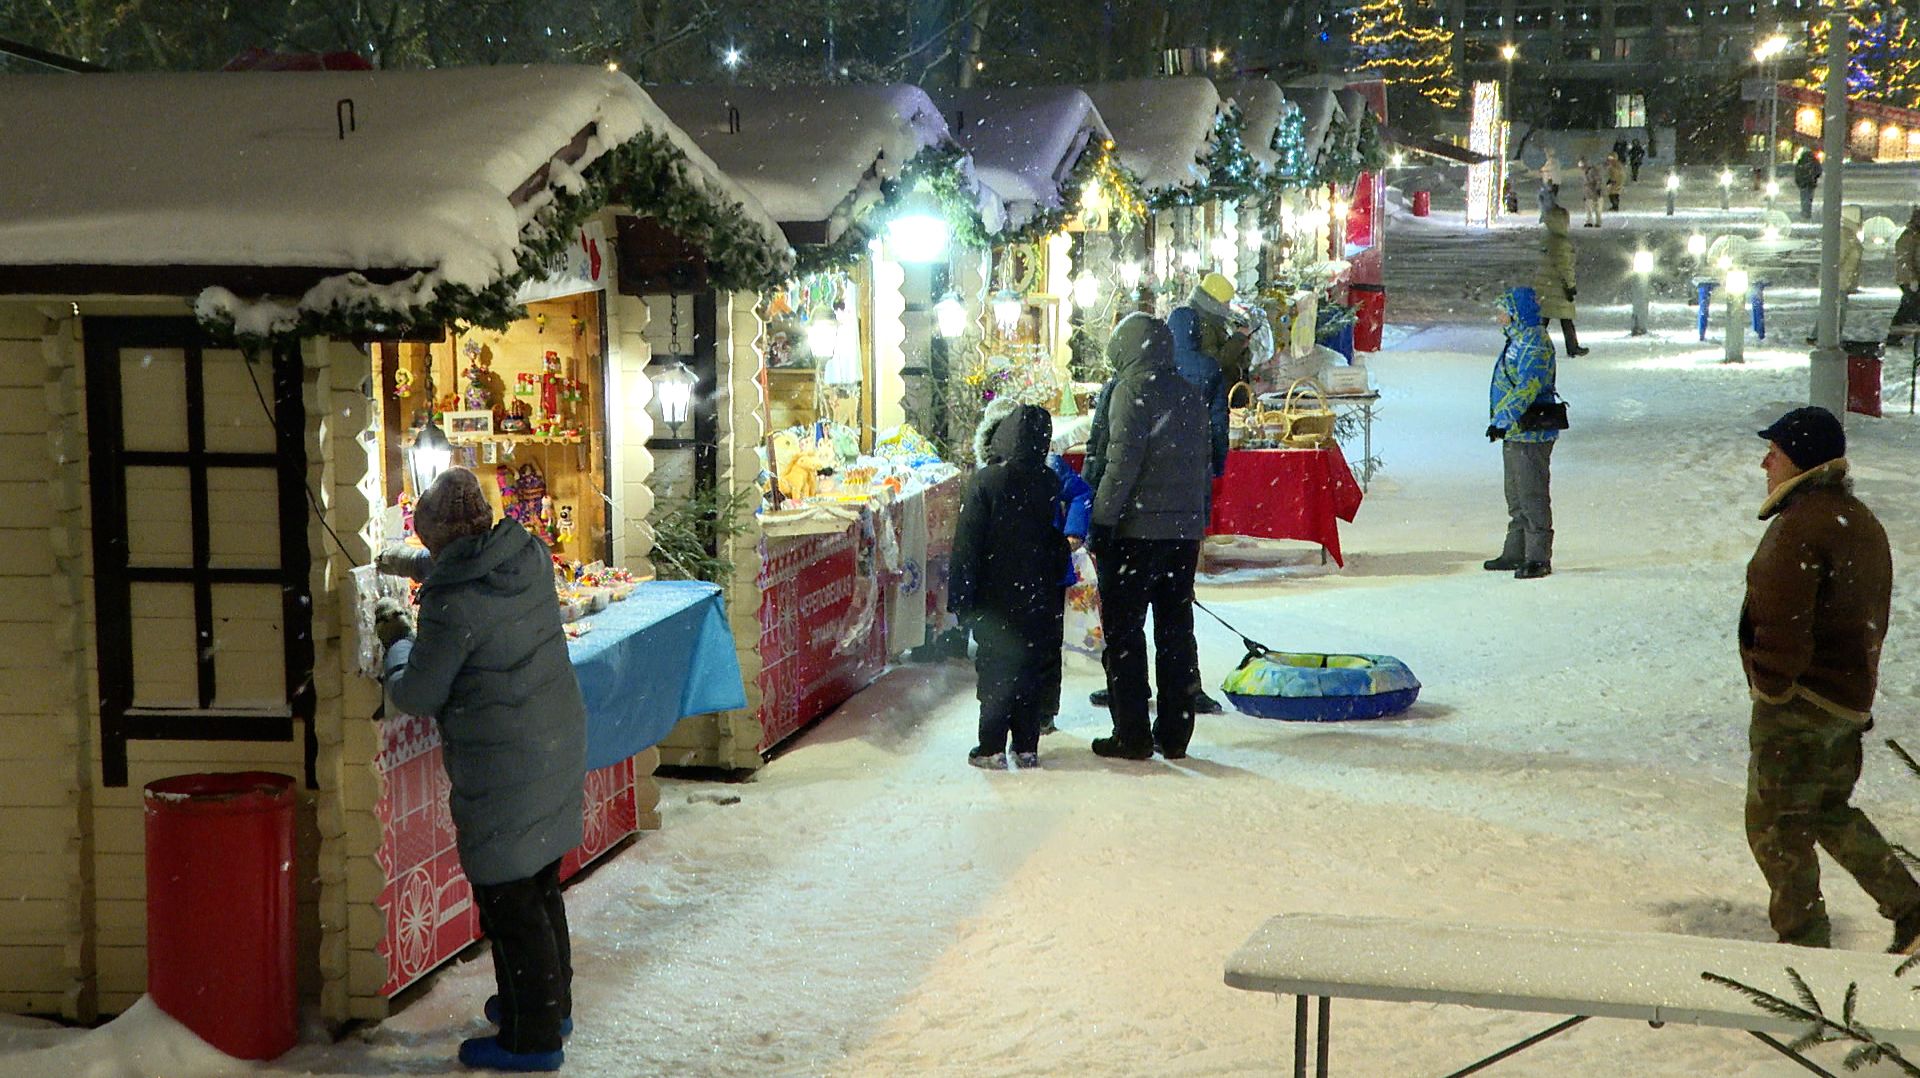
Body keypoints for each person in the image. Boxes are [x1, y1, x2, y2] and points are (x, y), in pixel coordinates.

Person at [375, 466, 587, 1073]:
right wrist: (397, 560)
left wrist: (397, 638)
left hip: (503, 757)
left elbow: (418, 692)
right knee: (539, 880)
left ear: (441, 537)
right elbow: (461, 568)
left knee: (508, 898)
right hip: (551, 738)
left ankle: (532, 1038)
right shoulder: (524, 553)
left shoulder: (453, 600)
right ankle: (549, 1006)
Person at [1741, 406, 1920, 952]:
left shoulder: (1800, 527)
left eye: (1776, 451)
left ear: (1800, 459)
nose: (1766, 461)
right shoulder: (1855, 519)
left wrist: (1771, 687)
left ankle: (1804, 948)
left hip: (1802, 703)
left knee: (1775, 826)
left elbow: (1781, 621)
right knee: (1827, 810)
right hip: (1846, 698)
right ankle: (1912, 908)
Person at [1086, 312, 1209, 761]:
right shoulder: (1189, 393)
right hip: (1180, 535)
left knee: (1125, 635)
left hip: (1135, 534)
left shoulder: (1130, 391)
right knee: (1176, 632)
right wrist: (1197, 522)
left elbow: (1121, 466)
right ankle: (1175, 733)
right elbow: (1203, 466)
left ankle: (1132, 733)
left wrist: (1101, 521)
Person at [950, 403, 1070, 770]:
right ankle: (1026, 745)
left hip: (995, 595)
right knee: (1029, 669)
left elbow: (967, 544)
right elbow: (1054, 539)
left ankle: (990, 747)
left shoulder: (986, 481)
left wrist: (961, 598)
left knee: (996, 670)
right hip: (1037, 595)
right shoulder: (1049, 481)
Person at [972, 396, 1092, 738]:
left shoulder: (1050, 469)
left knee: (1046, 645)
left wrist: (1072, 534)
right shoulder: (990, 478)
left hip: (1045, 570)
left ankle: (1043, 710)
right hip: (1014, 574)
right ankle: (1015, 712)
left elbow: (1081, 494)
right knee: (1012, 647)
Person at [1482, 286, 1559, 580]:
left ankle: (1538, 557)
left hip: (1530, 431)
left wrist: (1503, 419)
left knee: (1532, 494)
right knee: (1515, 495)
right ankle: (1516, 551)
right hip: (1515, 430)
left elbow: (1528, 387)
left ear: (1516, 313)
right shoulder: (1519, 340)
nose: (1499, 317)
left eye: (1503, 311)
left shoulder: (1534, 344)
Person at [1532, 205, 1589, 357]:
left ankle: (1534, 345)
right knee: (1565, 318)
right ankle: (1572, 347)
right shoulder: (1562, 243)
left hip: (1545, 286)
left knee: (1544, 318)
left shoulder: (1548, 240)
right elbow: (1565, 268)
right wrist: (1570, 286)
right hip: (1558, 287)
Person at [1887, 207, 1920, 345]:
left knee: (1909, 307)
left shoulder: (1914, 235)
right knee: (1911, 306)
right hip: (1910, 279)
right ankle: (1894, 335)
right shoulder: (1909, 236)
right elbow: (1905, 259)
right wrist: (1912, 278)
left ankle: (1895, 335)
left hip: (1913, 278)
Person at [1793, 149, 1822, 223]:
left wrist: (1799, 181)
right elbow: (1819, 171)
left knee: (1804, 198)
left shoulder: (1801, 161)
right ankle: (1807, 212)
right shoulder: (1814, 161)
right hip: (1811, 183)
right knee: (1809, 198)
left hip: (1803, 184)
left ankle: (1804, 212)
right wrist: (1814, 177)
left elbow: (1797, 172)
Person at [1579, 157, 1605, 228]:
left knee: (1597, 208)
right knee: (1588, 208)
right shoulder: (1584, 172)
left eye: (1582, 166)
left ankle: (1598, 222)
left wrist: (1598, 189)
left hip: (1595, 193)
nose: (1582, 168)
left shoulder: (1593, 171)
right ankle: (1589, 221)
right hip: (1588, 193)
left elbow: (1598, 181)